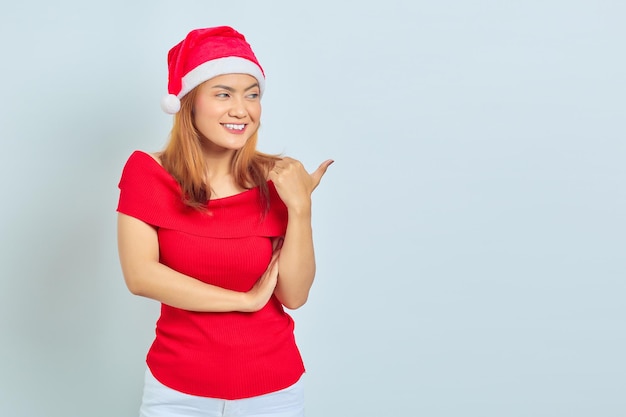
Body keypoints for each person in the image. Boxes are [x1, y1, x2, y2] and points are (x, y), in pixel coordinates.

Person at [116, 26, 332, 417]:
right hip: (176, 390)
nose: (242, 109)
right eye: (223, 94)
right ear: (188, 103)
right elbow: (140, 275)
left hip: (273, 390)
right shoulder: (148, 173)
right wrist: (244, 301)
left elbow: (294, 296)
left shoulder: (278, 178)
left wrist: (300, 209)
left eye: (252, 94)